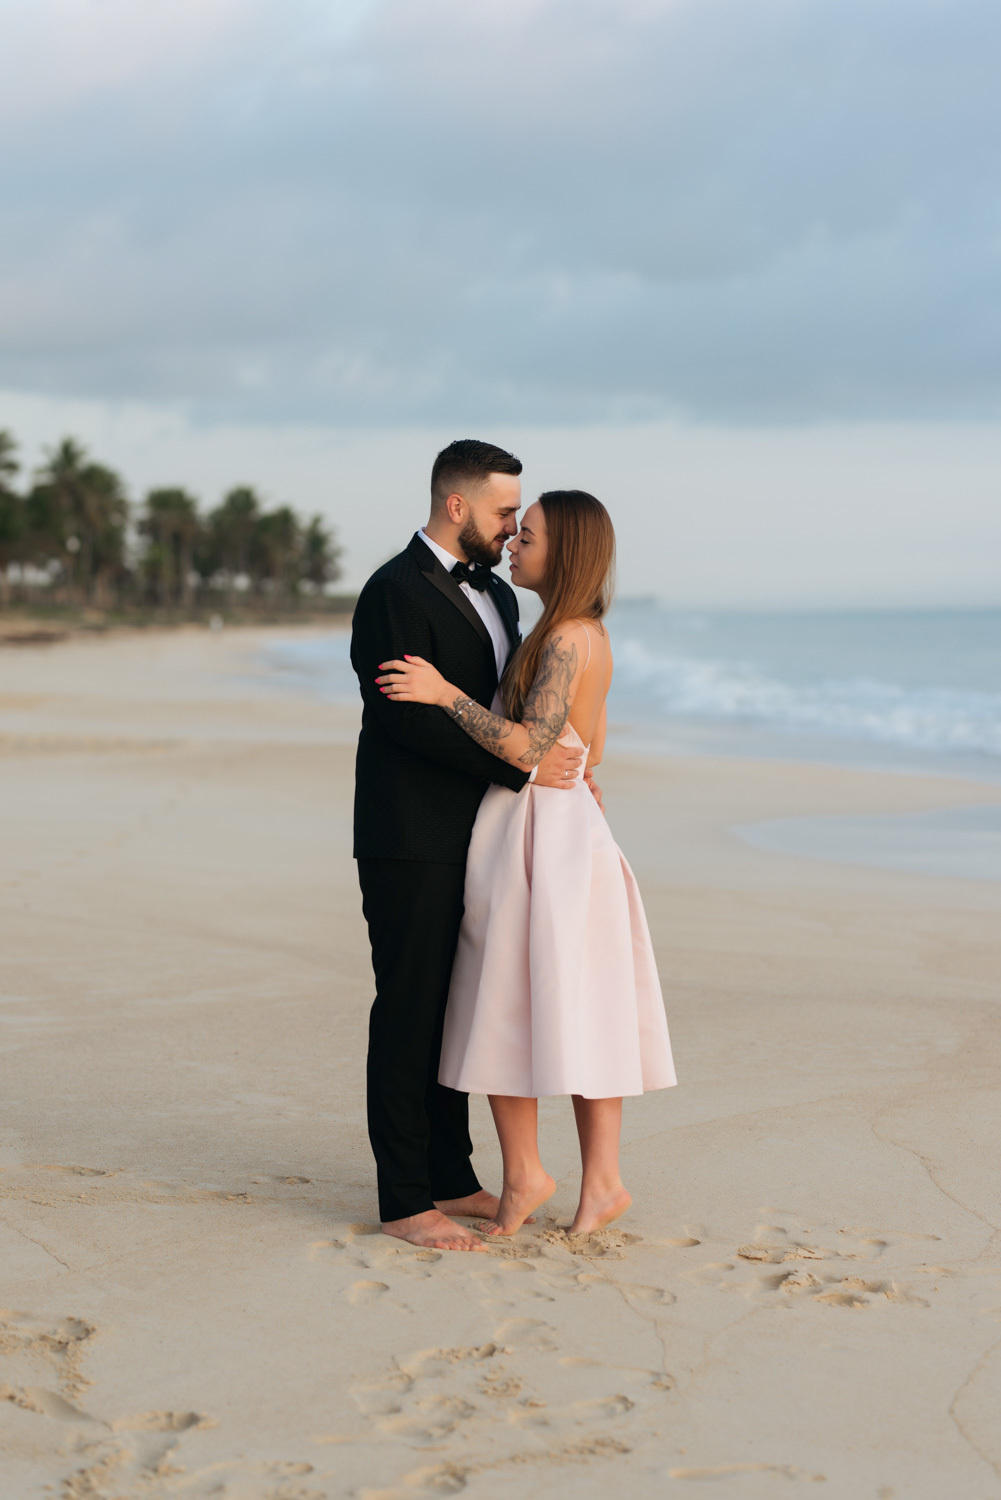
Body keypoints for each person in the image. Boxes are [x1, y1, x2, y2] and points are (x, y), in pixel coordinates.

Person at [376, 489, 677, 1237]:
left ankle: (536, 1177)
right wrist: (564, 755)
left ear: (564, 552)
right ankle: (593, 1182)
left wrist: (444, 693)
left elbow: (524, 749)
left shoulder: (565, 637)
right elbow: (589, 748)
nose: (514, 541)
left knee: (509, 997)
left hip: (540, 836)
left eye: (529, 534)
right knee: (568, 1002)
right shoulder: (575, 632)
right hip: (560, 829)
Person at [350, 440, 585, 1252]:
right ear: (456, 506)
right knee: (409, 1012)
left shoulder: (501, 596)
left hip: (479, 834)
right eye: (502, 512)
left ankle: (453, 1176)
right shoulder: (392, 591)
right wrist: (521, 768)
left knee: (457, 1014)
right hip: (408, 836)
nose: (512, 527)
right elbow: (404, 719)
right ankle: (405, 1198)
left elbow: (501, 704)